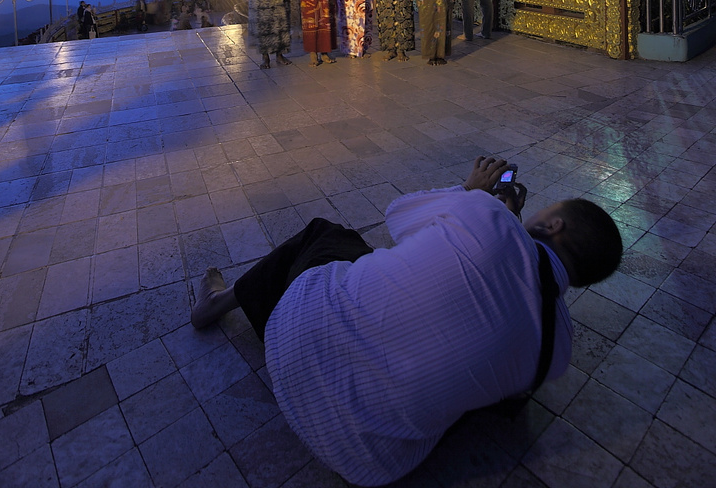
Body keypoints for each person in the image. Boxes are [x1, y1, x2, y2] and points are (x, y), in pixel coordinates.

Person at [189, 154, 623, 488]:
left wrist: (470, 192)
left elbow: (397, 217)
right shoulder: (558, 352)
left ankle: (218, 302)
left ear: (553, 224)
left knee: (328, 235)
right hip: (370, 460)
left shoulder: (491, 218)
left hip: (292, 340)